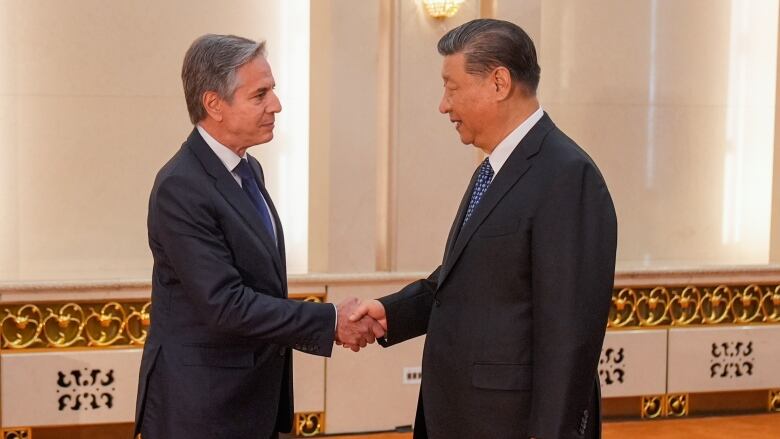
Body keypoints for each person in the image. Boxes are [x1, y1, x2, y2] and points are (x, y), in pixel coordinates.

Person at [350, 19, 618, 439]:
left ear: (498, 83)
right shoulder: (491, 171)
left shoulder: (567, 175)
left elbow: (570, 339)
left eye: (451, 88)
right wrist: (393, 313)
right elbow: (467, 280)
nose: (443, 105)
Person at [134, 34, 383, 439]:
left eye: (273, 91)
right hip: (201, 409)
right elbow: (225, 304)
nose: (276, 105)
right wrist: (331, 319)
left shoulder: (248, 171)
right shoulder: (181, 186)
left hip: (252, 400)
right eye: (260, 95)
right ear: (214, 103)